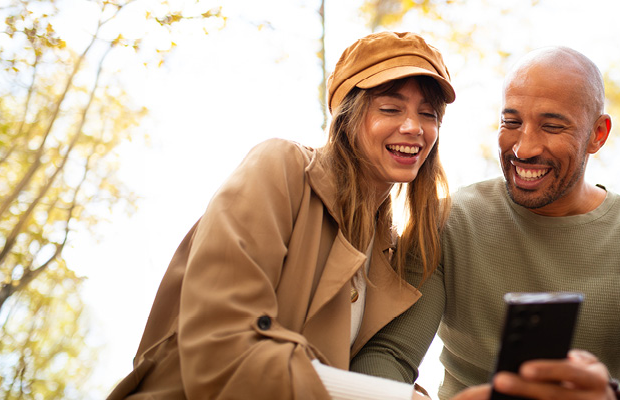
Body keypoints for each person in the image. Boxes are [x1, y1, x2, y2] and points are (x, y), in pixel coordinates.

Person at [351, 46, 620, 400]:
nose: (524, 148)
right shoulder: (447, 221)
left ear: (598, 134)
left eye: (552, 127)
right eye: (511, 122)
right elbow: (386, 356)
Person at [106, 31, 456, 400]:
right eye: (390, 108)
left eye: (428, 115)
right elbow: (221, 345)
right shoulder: (281, 169)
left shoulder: (388, 251)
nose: (414, 127)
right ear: (347, 114)